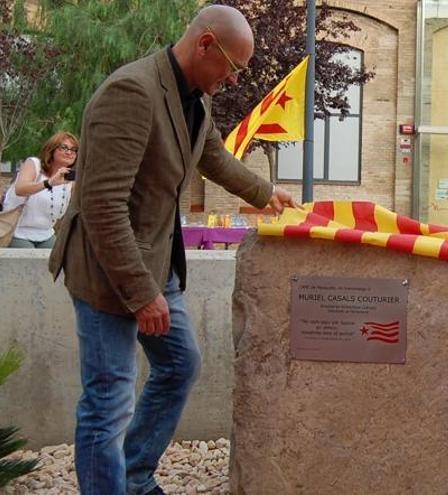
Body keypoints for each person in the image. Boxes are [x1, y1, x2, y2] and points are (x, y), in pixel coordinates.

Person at [47, 6, 299, 495]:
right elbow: (101, 205)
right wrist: (143, 294)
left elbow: (214, 157)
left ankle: (135, 475)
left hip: (155, 262)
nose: (231, 79)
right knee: (108, 401)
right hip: (107, 270)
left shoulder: (194, 98)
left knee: (180, 364)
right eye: (232, 65)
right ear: (205, 44)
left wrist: (264, 194)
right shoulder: (132, 93)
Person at [1, 131, 78, 248]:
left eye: (74, 150)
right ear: (51, 150)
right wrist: (49, 182)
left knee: (57, 262)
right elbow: (20, 189)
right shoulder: (34, 164)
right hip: (18, 231)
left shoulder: (68, 180)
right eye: (64, 147)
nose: (69, 152)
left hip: (47, 234)